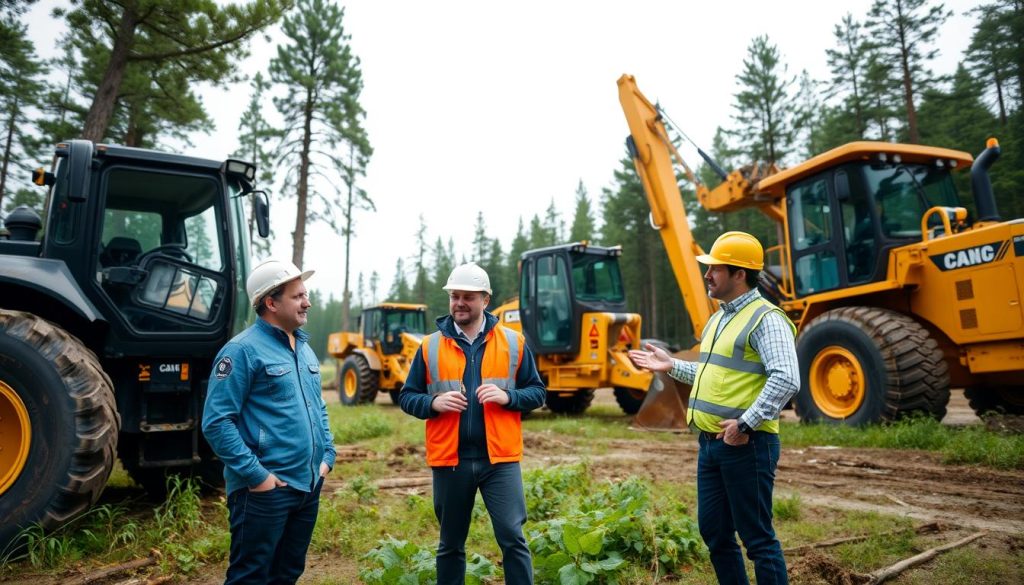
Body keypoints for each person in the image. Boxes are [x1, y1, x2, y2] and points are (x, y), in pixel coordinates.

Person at [629, 231, 798, 585]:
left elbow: (786, 380)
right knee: (716, 534)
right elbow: (712, 372)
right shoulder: (719, 318)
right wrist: (671, 365)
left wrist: (744, 425)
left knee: (757, 540)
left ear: (739, 274)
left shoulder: (766, 318)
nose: (707, 274)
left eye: (715, 269)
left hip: (746, 445)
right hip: (710, 445)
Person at [400, 262, 547, 585]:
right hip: (450, 461)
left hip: (500, 461)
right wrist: (432, 403)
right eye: (454, 296)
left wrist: (508, 397)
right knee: (450, 544)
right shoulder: (430, 346)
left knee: (512, 537)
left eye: (468, 296)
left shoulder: (514, 343)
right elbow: (407, 396)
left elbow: (537, 392)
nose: (459, 303)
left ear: (485, 299)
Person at [202, 259, 335, 585]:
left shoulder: (304, 349)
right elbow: (217, 422)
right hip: (263, 492)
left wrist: (327, 455)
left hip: (308, 486)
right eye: (298, 296)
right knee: (251, 577)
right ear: (271, 303)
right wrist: (257, 476)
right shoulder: (241, 351)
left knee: (287, 573)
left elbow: (317, 406)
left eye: (306, 294)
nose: (308, 302)